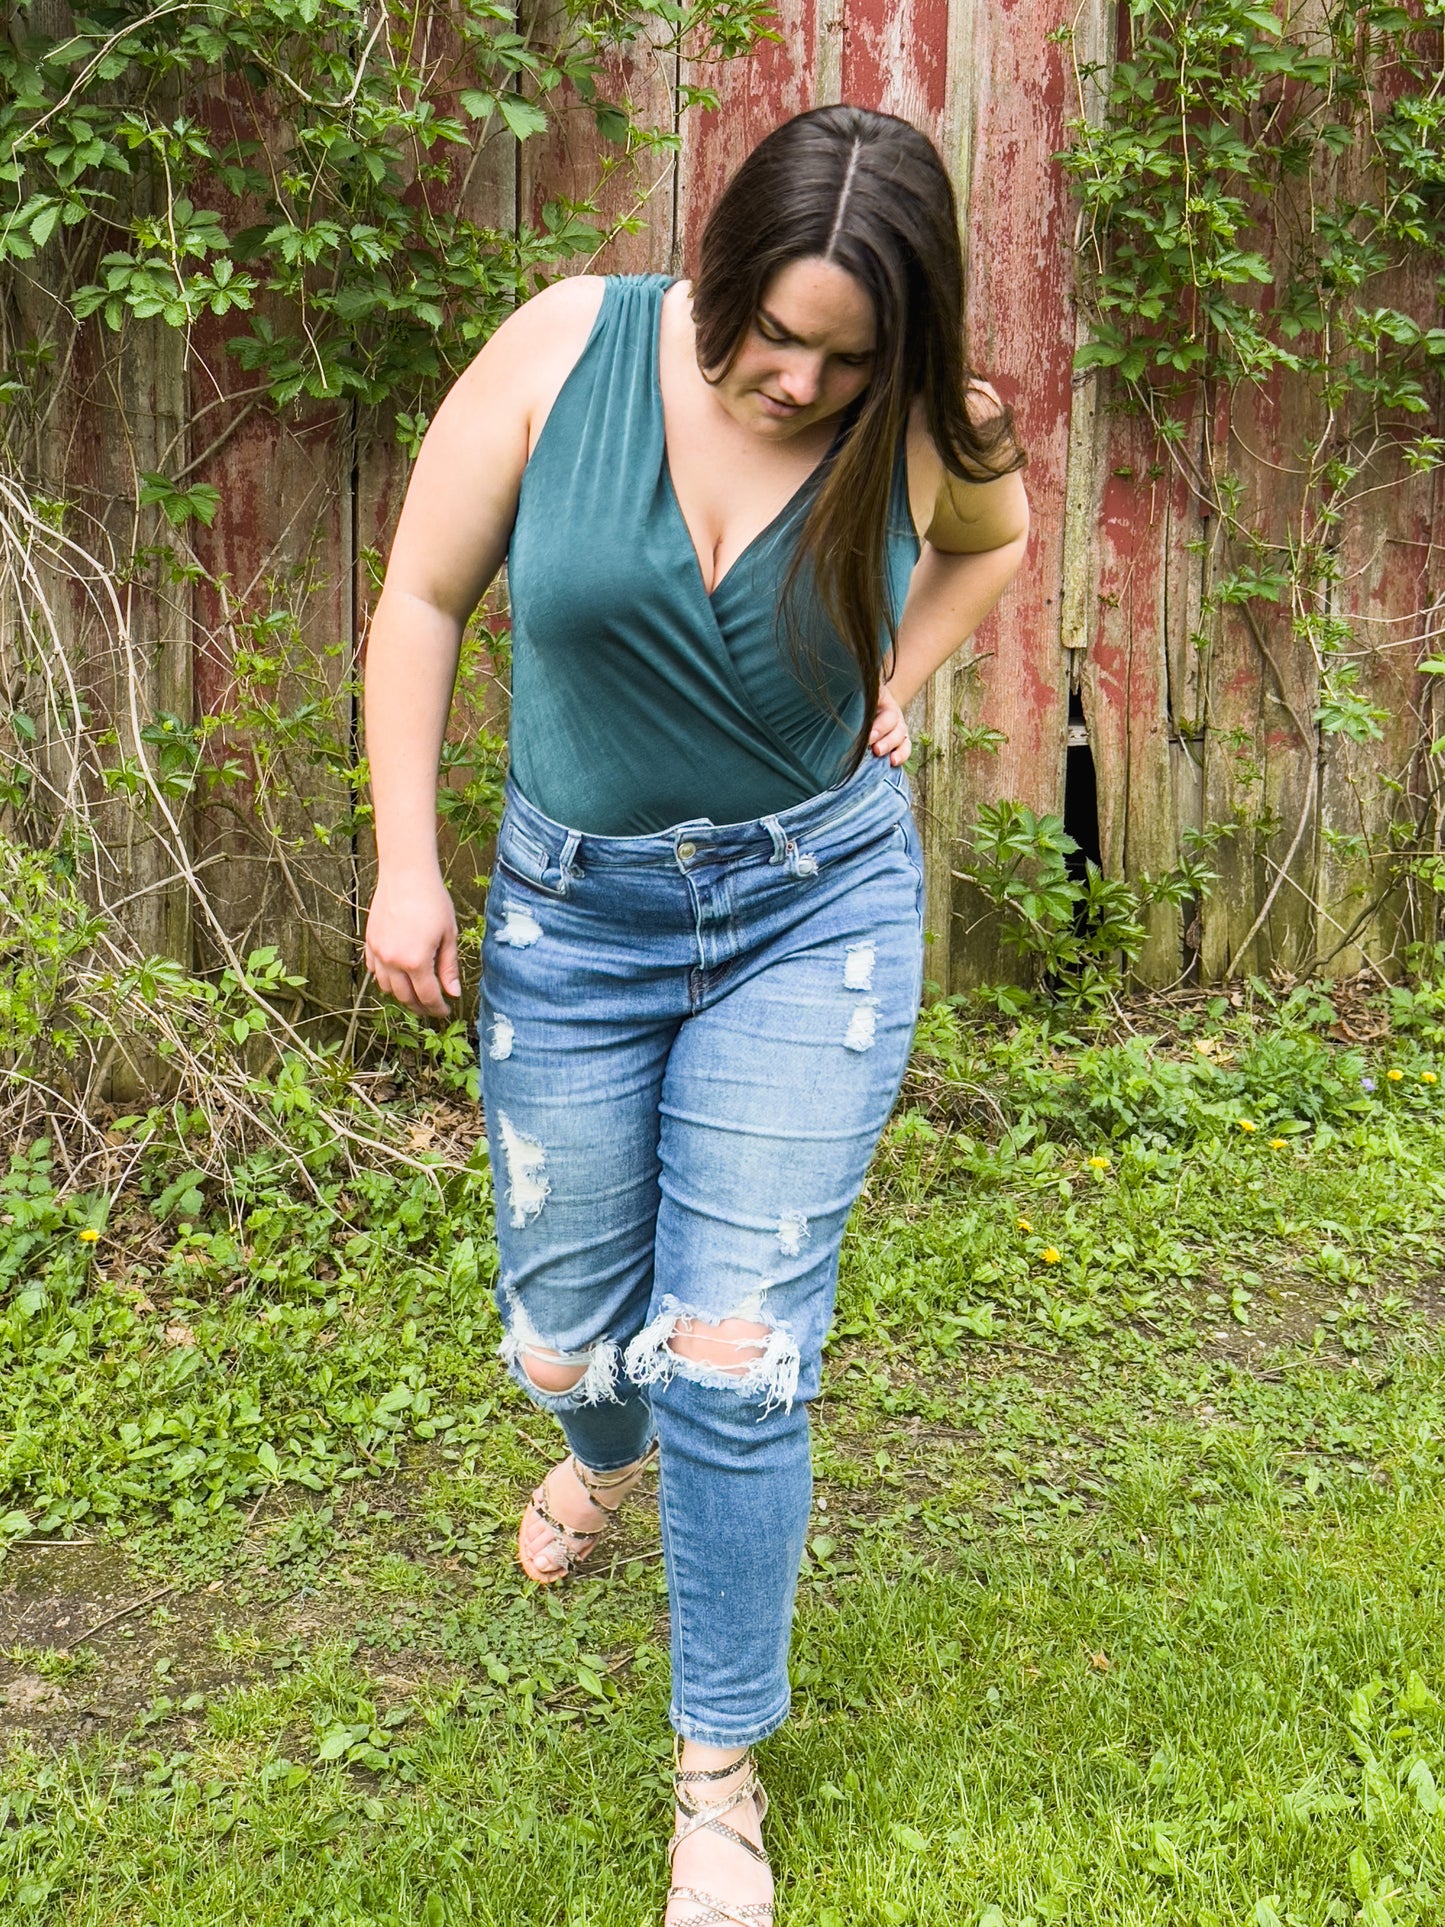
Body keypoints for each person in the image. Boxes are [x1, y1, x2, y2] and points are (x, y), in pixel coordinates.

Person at [363, 101, 1029, 1927]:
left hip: (813, 914)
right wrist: (405, 867)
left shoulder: (926, 427)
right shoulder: (566, 345)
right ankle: (597, 1451)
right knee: (572, 1336)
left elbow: (992, 538)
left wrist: (898, 672)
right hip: (574, 923)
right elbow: (423, 595)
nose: (800, 381)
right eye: (774, 335)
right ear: (716, 266)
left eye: (847, 354)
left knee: (731, 1347)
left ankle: (714, 1776)